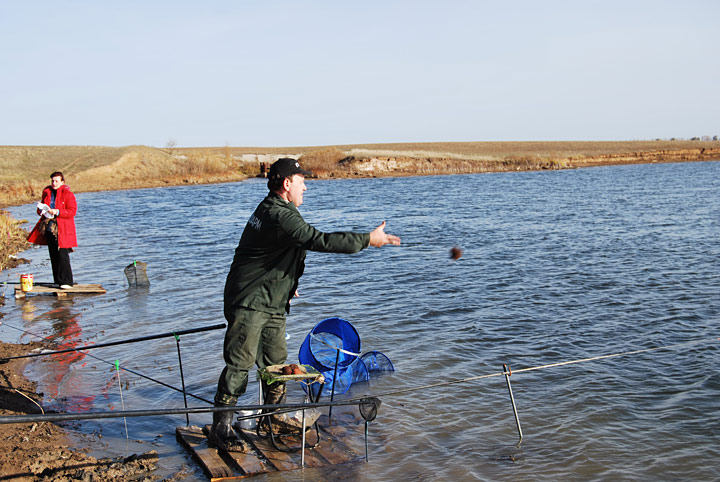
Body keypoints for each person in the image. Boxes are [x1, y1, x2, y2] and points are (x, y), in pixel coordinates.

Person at [209, 157, 401, 452]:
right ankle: (220, 428)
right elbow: (316, 240)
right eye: (302, 181)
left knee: (276, 362)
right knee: (240, 362)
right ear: (287, 184)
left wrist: (288, 283)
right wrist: (367, 240)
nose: (306, 187)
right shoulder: (277, 214)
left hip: (271, 299)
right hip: (250, 300)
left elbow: (281, 252)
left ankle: (272, 419)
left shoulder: (280, 210)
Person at [27, 171, 77, 288]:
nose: (54, 183)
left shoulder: (68, 194)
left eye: (56, 181)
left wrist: (57, 212)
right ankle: (58, 281)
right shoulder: (47, 193)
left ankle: (67, 282)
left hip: (63, 228)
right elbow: (40, 210)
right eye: (52, 181)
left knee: (63, 255)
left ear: (62, 182)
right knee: (53, 254)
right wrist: (41, 210)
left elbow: (72, 211)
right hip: (49, 227)